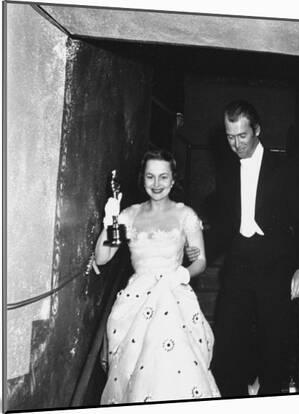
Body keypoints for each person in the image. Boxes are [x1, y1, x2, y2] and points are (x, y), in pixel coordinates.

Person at [95, 149, 220, 404]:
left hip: (173, 293)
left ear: (173, 180)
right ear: (143, 179)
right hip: (136, 299)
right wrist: (110, 221)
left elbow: (201, 261)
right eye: (150, 177)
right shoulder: (129, 215)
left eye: (163, 177)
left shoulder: (186, 215)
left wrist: (183, 273)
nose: (157, 184)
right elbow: (102, 258)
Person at [209, 100, 299, 397]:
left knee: (274, 342)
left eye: (242, 136)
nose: (235, 144)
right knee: (228, 340)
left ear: (257, 131)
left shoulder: (285, 168)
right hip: (238, 262)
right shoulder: (227, 170)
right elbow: (223, 224)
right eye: (229, 137)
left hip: (275, 262)